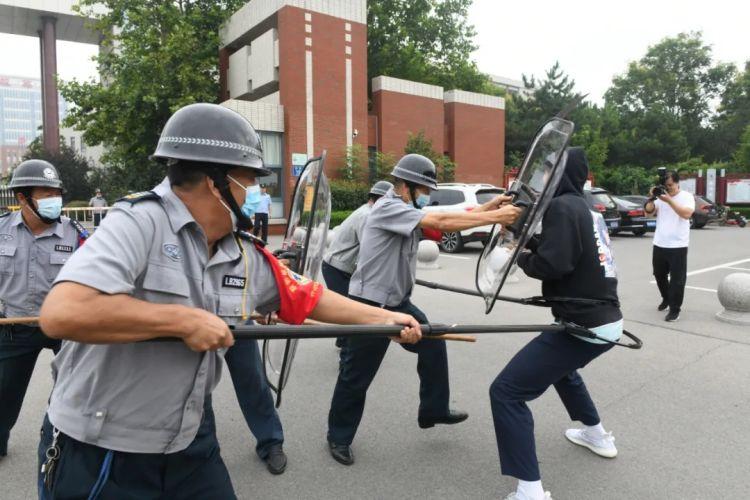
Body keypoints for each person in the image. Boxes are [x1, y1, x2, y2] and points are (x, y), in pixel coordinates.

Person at [36, 103, 422, 499]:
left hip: (189, 438)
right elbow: (64, 312)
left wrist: (386, 319)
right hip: (105, 446)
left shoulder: (242, 250)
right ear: (213, 181)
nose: (258, 192)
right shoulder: (137, 223)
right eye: (251, 179)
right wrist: (184, 321)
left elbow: (310, 297)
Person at [326, 153, 522, 466]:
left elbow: (450, 216)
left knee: (434, 343)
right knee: (356, 375)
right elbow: (441, 222)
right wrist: (497, 218)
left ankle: (433, 409)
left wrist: (491, 206)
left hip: (397, 301)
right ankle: (338, 437)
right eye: (424, 190)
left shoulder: (405, 208)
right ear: (406, 186)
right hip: (370, 304)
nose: (428, 196)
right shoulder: (388, 207)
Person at [490, 148, 622, 500]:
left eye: (550, 169)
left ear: (564, 173)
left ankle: (530, 491)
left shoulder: (563, 207)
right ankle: (596, 434)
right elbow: (560, 251)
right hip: (605, 322)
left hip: (584, 324)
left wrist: (518, 256)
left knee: (506, 392)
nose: (544, 177)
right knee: (563, 371)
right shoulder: (585, 208)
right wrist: (523, 235)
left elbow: (555, 264)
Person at [0, 159, 87, 459]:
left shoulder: (76, 234)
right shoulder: (1, 231)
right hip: (13, 328)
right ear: (22, 198)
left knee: (72, 391)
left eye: (56, 193)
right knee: (2, 394)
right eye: (46, 194)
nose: (55, 200)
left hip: (64, 328)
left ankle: (60, 443)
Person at [322, 180, 393, 348]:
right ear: (381, 199)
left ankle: (343, 340)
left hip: (340, 267)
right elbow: (368, 250)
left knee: (348, 309)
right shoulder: (367, 216)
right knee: (350, 310)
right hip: (336, 269)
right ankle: (348, 349)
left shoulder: (367, 211)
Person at [644, 170, 695, 322]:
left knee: (677, 279)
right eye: (666, 185)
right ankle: (666, 298)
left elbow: (686, 214)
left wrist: (669, 201)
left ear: (677, 183)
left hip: (678, 244)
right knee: (659, 274)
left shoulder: (686, 196)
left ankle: (674, 309)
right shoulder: (661, 196)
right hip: (659, 243)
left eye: (670, 185)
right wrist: (652, 198)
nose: (668, 188)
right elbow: (648, 214)